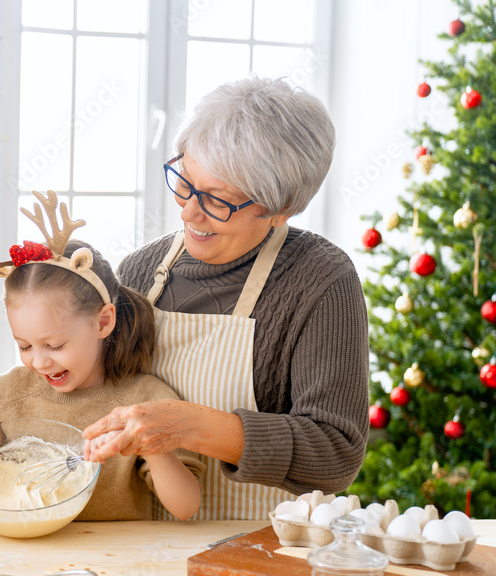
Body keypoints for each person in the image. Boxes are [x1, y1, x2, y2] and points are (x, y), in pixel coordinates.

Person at [82, 76, 370, 521]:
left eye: (218, 200)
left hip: (262, 547)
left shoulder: (320, 281)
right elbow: (91, 397)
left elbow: (335, 454)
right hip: (139, 544)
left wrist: (193, 427)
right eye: (185, 182)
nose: (188, 211)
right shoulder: (140, 271)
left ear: (281, 208)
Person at [0, 192, 204, 521]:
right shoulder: (0, 397)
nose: (40, 362)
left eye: (55, 345)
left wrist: (152, 447)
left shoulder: (142, 401)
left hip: (113, 560)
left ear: (103, 322)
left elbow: (185, 507)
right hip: (19, 560)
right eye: (25, 346)